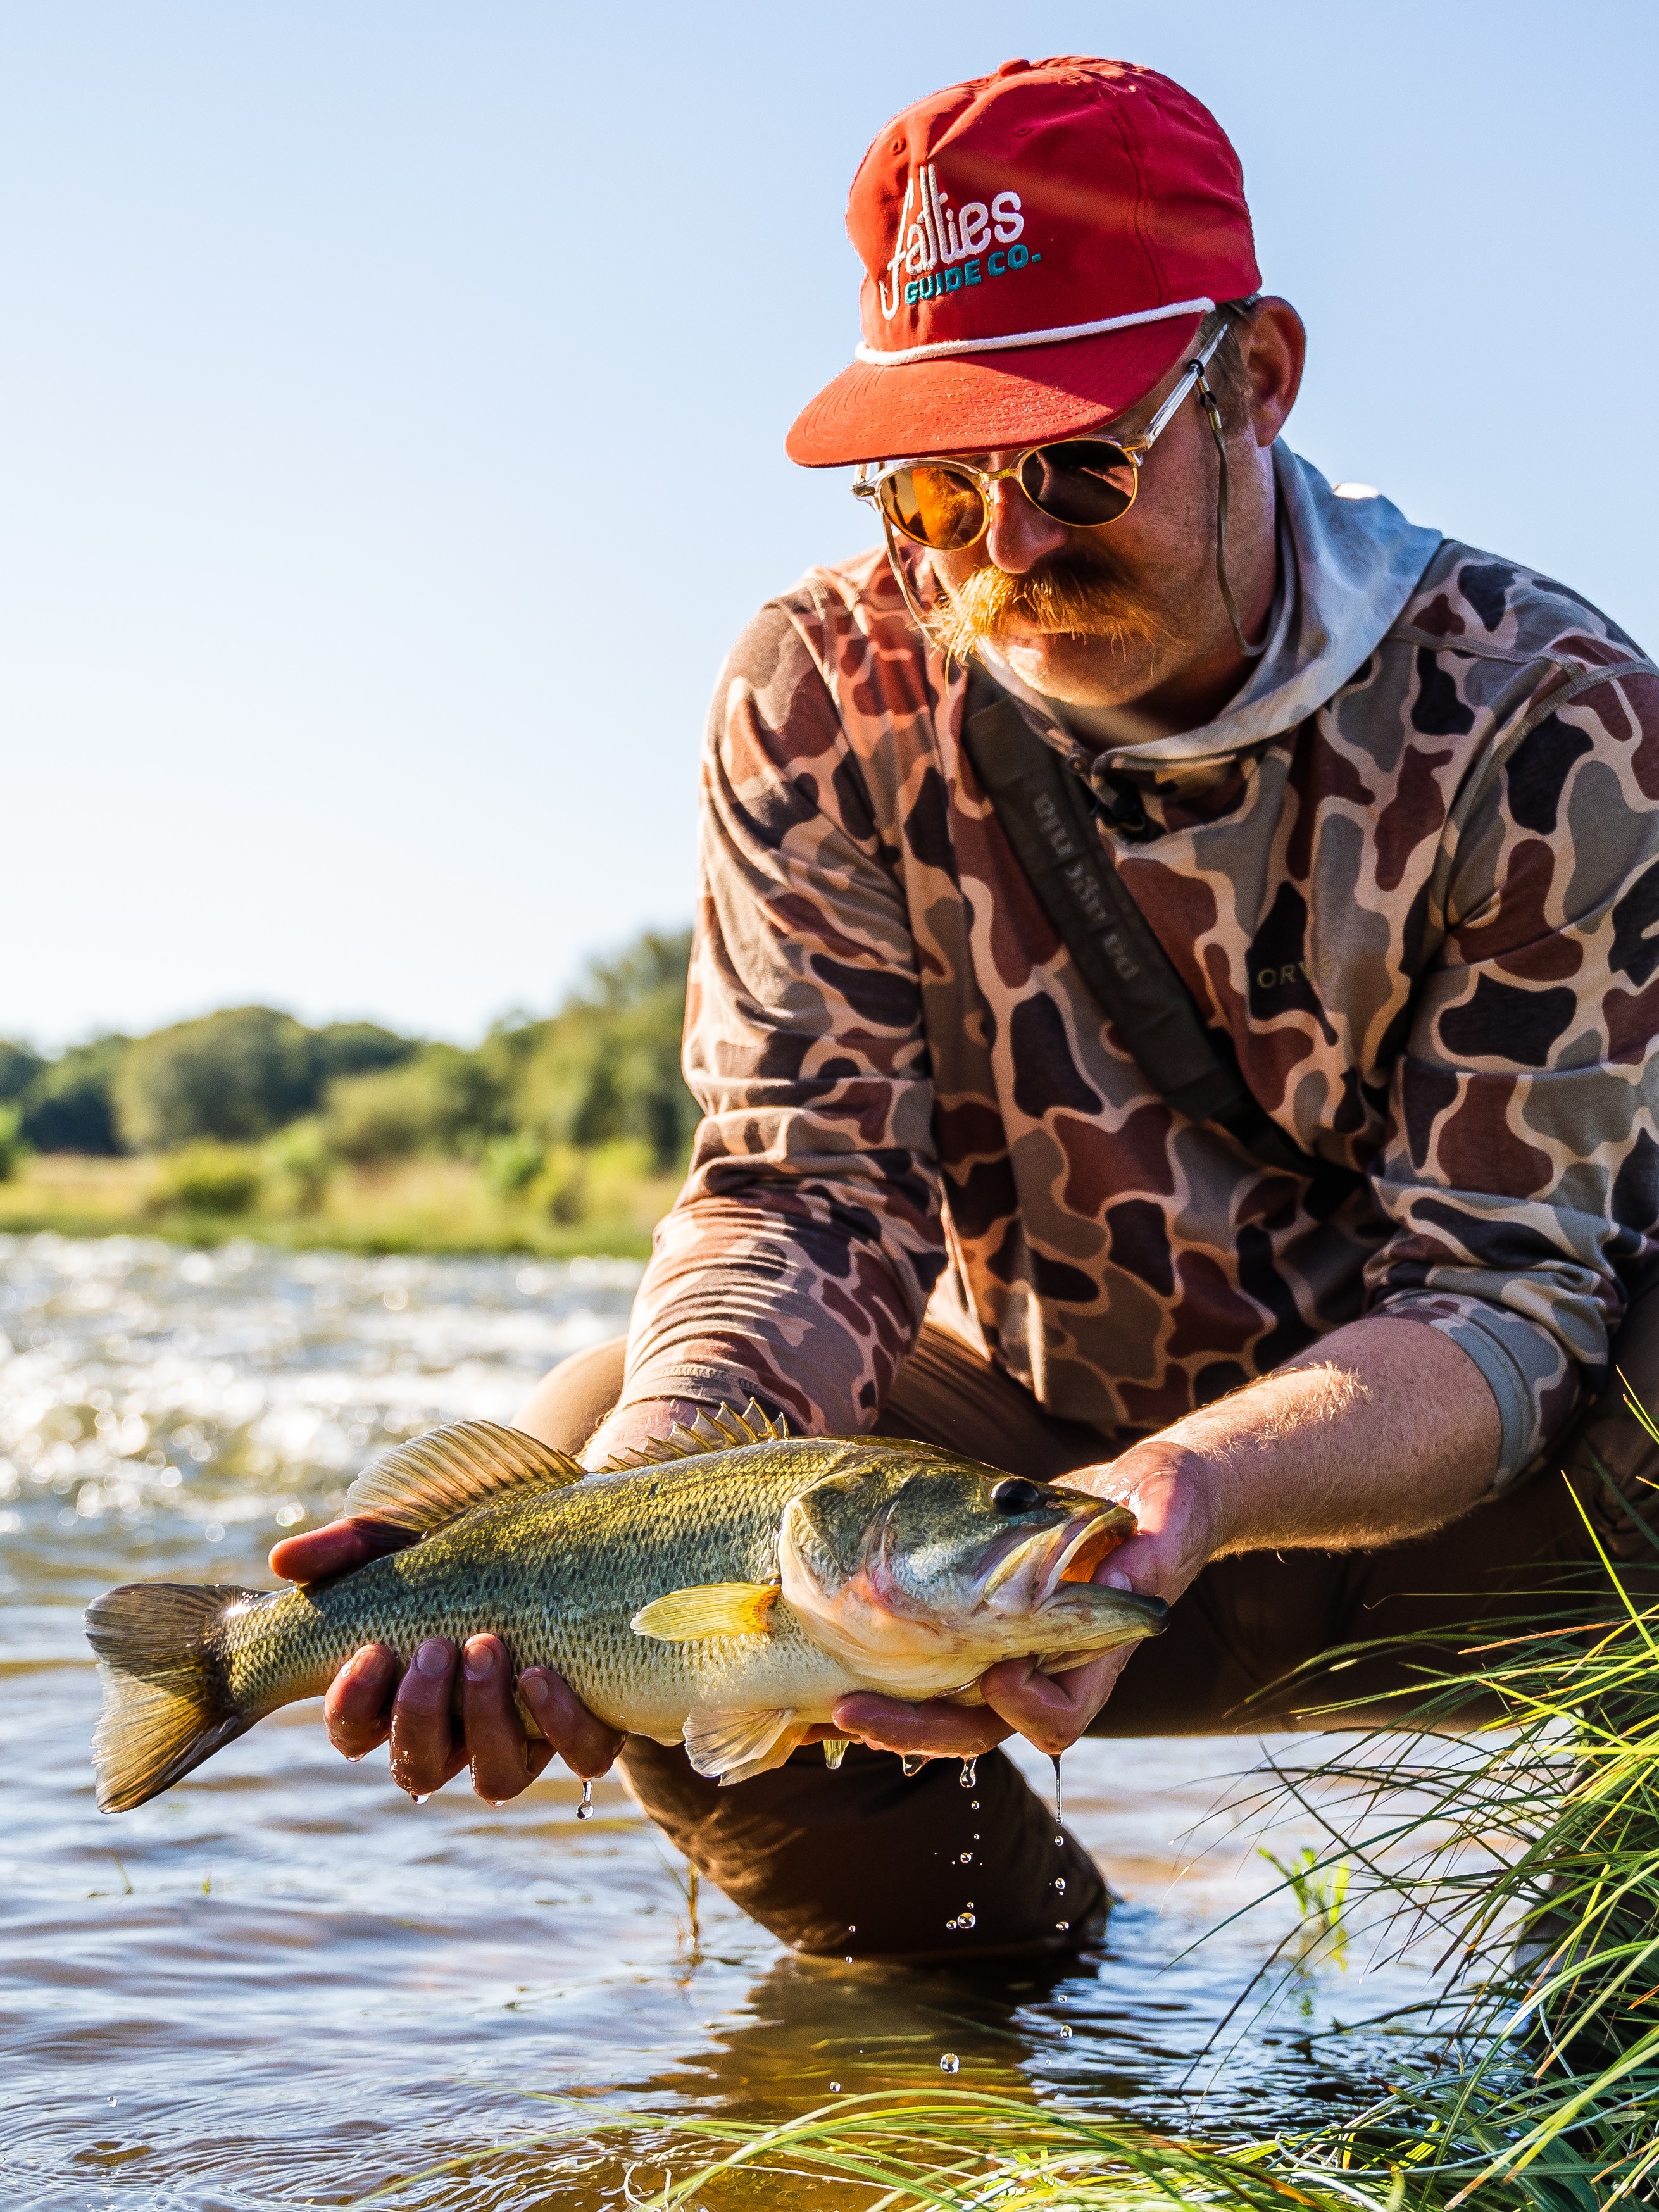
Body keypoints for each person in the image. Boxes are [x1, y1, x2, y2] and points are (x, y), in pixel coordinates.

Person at [273, 56, 1659, 1961]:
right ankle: (1001, 2038)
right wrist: (626, 1522)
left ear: (1253, 379)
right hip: (988, 1515)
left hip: (1463, 1512)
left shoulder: (1548, 716)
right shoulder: (817, 687)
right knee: (642, 1447)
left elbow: (1511, 1298)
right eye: (934, 485)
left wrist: (1190, 1488)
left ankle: (1610, 2008)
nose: (1002, 550)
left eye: (1077, 464)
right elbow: (797, 1195)